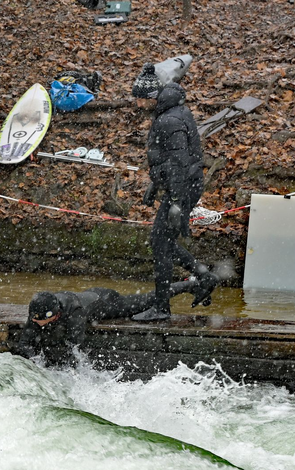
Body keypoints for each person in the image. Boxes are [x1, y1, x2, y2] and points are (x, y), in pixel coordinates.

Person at [131, 64, 218, 321]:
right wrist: (155, 184)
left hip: (182, 190)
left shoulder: (168, 120)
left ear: (151, 98)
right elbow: (169, 160)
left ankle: (161, 308)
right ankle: (204, 276)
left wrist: (177, 203)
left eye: (139, 99)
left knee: (160, 244)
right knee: (163, 241)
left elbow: (179, 163)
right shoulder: (172, 111)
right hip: (181, 186)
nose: (136, 104)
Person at [16, 282, 197, 366]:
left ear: (52, 315)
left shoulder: (74, 313)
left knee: (147, 299)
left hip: (108, 302)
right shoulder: (39, 311)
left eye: (37, 319)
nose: (32, 321)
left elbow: (75, 348)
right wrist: (36, 363)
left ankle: (189, 285)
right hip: (88, 293)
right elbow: (24, 342)